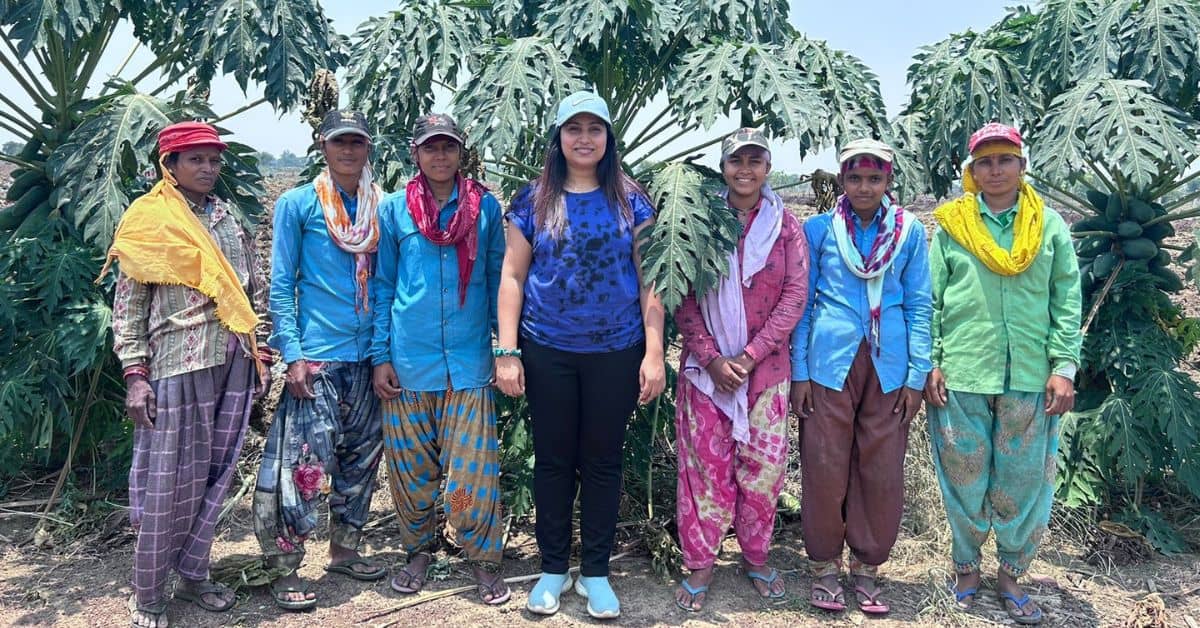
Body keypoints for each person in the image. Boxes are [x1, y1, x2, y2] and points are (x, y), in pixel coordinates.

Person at [495, 91, 666, 619]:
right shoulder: (533, 200)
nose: (585, 138)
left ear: (608, 138)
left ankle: (595, 572)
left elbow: (650, 280)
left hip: (616, 350)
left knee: (601, 462)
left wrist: (654, 351)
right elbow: (512, 276)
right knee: (552, 461)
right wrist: (507, 351)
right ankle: (551, 569)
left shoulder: (630, 200)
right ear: (559, 137)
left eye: (595, 129)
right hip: (548, 349)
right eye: (574, 129)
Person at [106, 121, 271, 628]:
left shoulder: (226, 217)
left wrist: (262, 350)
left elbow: (252, 286)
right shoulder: (149, 219)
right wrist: (136, 375)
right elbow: (129, 306)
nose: (207, 168)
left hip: (235, 362)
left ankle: (196, 573)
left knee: (216, 475)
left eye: (213, 160)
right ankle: (149, 592)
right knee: (168, 479)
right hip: (178, 364)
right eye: (195, 159)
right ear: (170, 165)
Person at [925, 123, 1081, 625]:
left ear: (1021, 165)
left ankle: (1012, 574)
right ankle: (966, 569)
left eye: (1004, 160)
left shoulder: (1047, 226)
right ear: (972, 171)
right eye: (985, 162)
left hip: (1031, 376)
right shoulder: (951, 227)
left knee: (1023, 480)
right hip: (963, 373)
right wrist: (930, 361)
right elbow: (928, 300)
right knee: (964, 479)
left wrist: (1064, 366)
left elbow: (1066, 300)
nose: (995, 170)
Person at [370, 113, 510, 604]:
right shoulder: (394, 210)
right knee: (412, 471)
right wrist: (380, 356)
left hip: (469, 363)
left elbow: (497, 278)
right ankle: (419, 549)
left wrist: (505, 347)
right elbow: (383, 284)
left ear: (460, 152)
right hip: (410, 362)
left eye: (448, 147)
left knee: (468, 473)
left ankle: (480, 556)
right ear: (417, 153)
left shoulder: (485, 209)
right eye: (431, 148)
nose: (440, 156)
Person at [790, 138, 932, 615]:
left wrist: (917, 376)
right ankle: (825, 565)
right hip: (830, 361)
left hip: (889, 363)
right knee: (825, 463)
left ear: (888, 181)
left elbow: (919, 305)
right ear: (842, 181)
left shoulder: (909, 232)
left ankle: (868, 566)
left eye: (874, 178)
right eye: (855, 178)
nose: (864, 187)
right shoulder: (819, 231)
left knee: (881, 465)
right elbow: (803, 306)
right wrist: (800, 372)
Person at [253, 109, 388, 610]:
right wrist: (293, 354)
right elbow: (282, 284)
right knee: (303, 466)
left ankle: (344, 550)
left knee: (361, 459)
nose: (348, 151)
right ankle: (284, 565)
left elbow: (387, 283)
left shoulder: (383, 206)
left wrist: (384, 353)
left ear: (367, 147)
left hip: (368, 356)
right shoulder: (298, 204)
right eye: (339, 142)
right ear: (323, 145)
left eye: (357, 142)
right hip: (319, 358)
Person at [672, 128, 809, 612]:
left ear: (767, 167)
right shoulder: (699, 222)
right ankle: (702, 563)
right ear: (723, 167)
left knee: (763, 474)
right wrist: (711, 357)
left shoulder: (785, 226)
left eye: (755, 160)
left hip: (766, 374)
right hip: (706, 374)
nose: (745, 169)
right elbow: (682, 292)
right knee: (704, 472)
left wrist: (750, 356)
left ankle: (754, 556)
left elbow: (795, 296)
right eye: (736, 161)